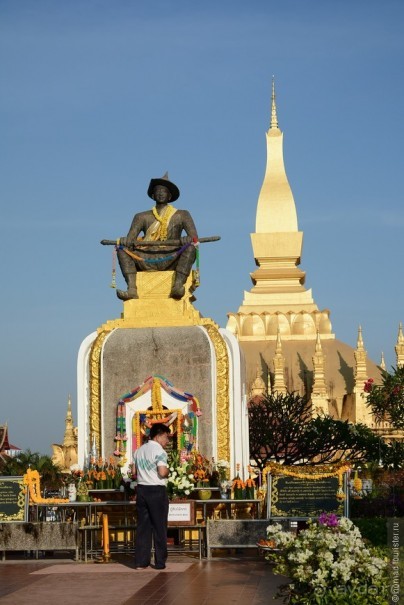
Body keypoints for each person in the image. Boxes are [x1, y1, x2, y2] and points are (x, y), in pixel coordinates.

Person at [117, 173, 198, 300]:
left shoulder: (182, 215)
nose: (160, 193)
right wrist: (125, 241)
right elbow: (130, 240)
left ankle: (177, 285)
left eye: (164, 191)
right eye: (157, 191)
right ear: (153, 195)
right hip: (147, 257)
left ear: (169, 196)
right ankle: (132, 288)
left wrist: (187, 240)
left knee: (191, 248)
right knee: (122, 249)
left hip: (172, 256)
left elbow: (194, 239)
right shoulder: (141, 216)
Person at [132, 422, 171, 570]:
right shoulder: (160, 452)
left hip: (141, 490)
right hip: (156, 490)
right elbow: (162, 472)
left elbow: (134, 471)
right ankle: (160, 562)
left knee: (143, 527)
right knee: (159, 527)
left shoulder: (139, 450)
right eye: (166, 438)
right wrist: (168, 472)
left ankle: (141, 562)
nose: (167, 442)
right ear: (159, 435)